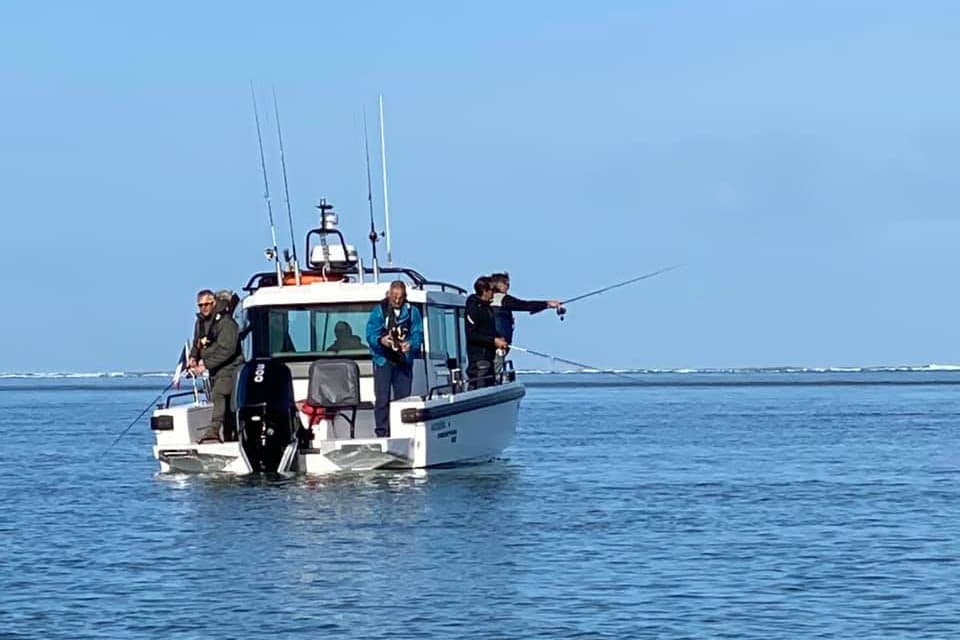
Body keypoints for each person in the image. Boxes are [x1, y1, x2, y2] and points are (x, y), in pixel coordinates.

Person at [365, 281, 423, 437]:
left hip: (403, 360)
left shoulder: (413, 312)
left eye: (400, 297)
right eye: (394, 296)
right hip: (383, 359)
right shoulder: (379, 311)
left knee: (403, 399)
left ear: (405, 297)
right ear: (389, 294)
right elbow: (370, 335)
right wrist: (381, 341)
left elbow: (418, 334)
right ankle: (382, 432)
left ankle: (401, 432)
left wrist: (411, 344)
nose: (397, 300)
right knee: (382, 398)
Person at [189, 289, 244, 442]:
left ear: (213, 303)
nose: (204, 308)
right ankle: (228, 436)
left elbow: (228, 349)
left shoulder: (226, 322)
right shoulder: (200, 322)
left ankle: (213, 431)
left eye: (207, 304)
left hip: (230, 367)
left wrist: (205, 364)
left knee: (219, 394)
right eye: (200, 305)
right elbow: (197, 343)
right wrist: (193, 357)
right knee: (223, 404)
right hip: (214, 369)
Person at [489, 272, 563, 376]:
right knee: (493, 371)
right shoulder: (501, 298)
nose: (508, 287)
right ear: (499, 285)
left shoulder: (492, 300)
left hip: (496, 345)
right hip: (497, 346)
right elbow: (525, 305)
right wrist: (548, 304)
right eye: (507, 284)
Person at [465, 276, 509, 389]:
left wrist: (499, 338)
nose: (494, 294)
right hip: (479, 360)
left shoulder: (488, 308)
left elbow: (490, 330)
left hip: (490, 357)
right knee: (480, 387)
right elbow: (471, 335)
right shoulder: (473, 308)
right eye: (492, 291)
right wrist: (493, 340)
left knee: (490, 384)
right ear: (484, 291)